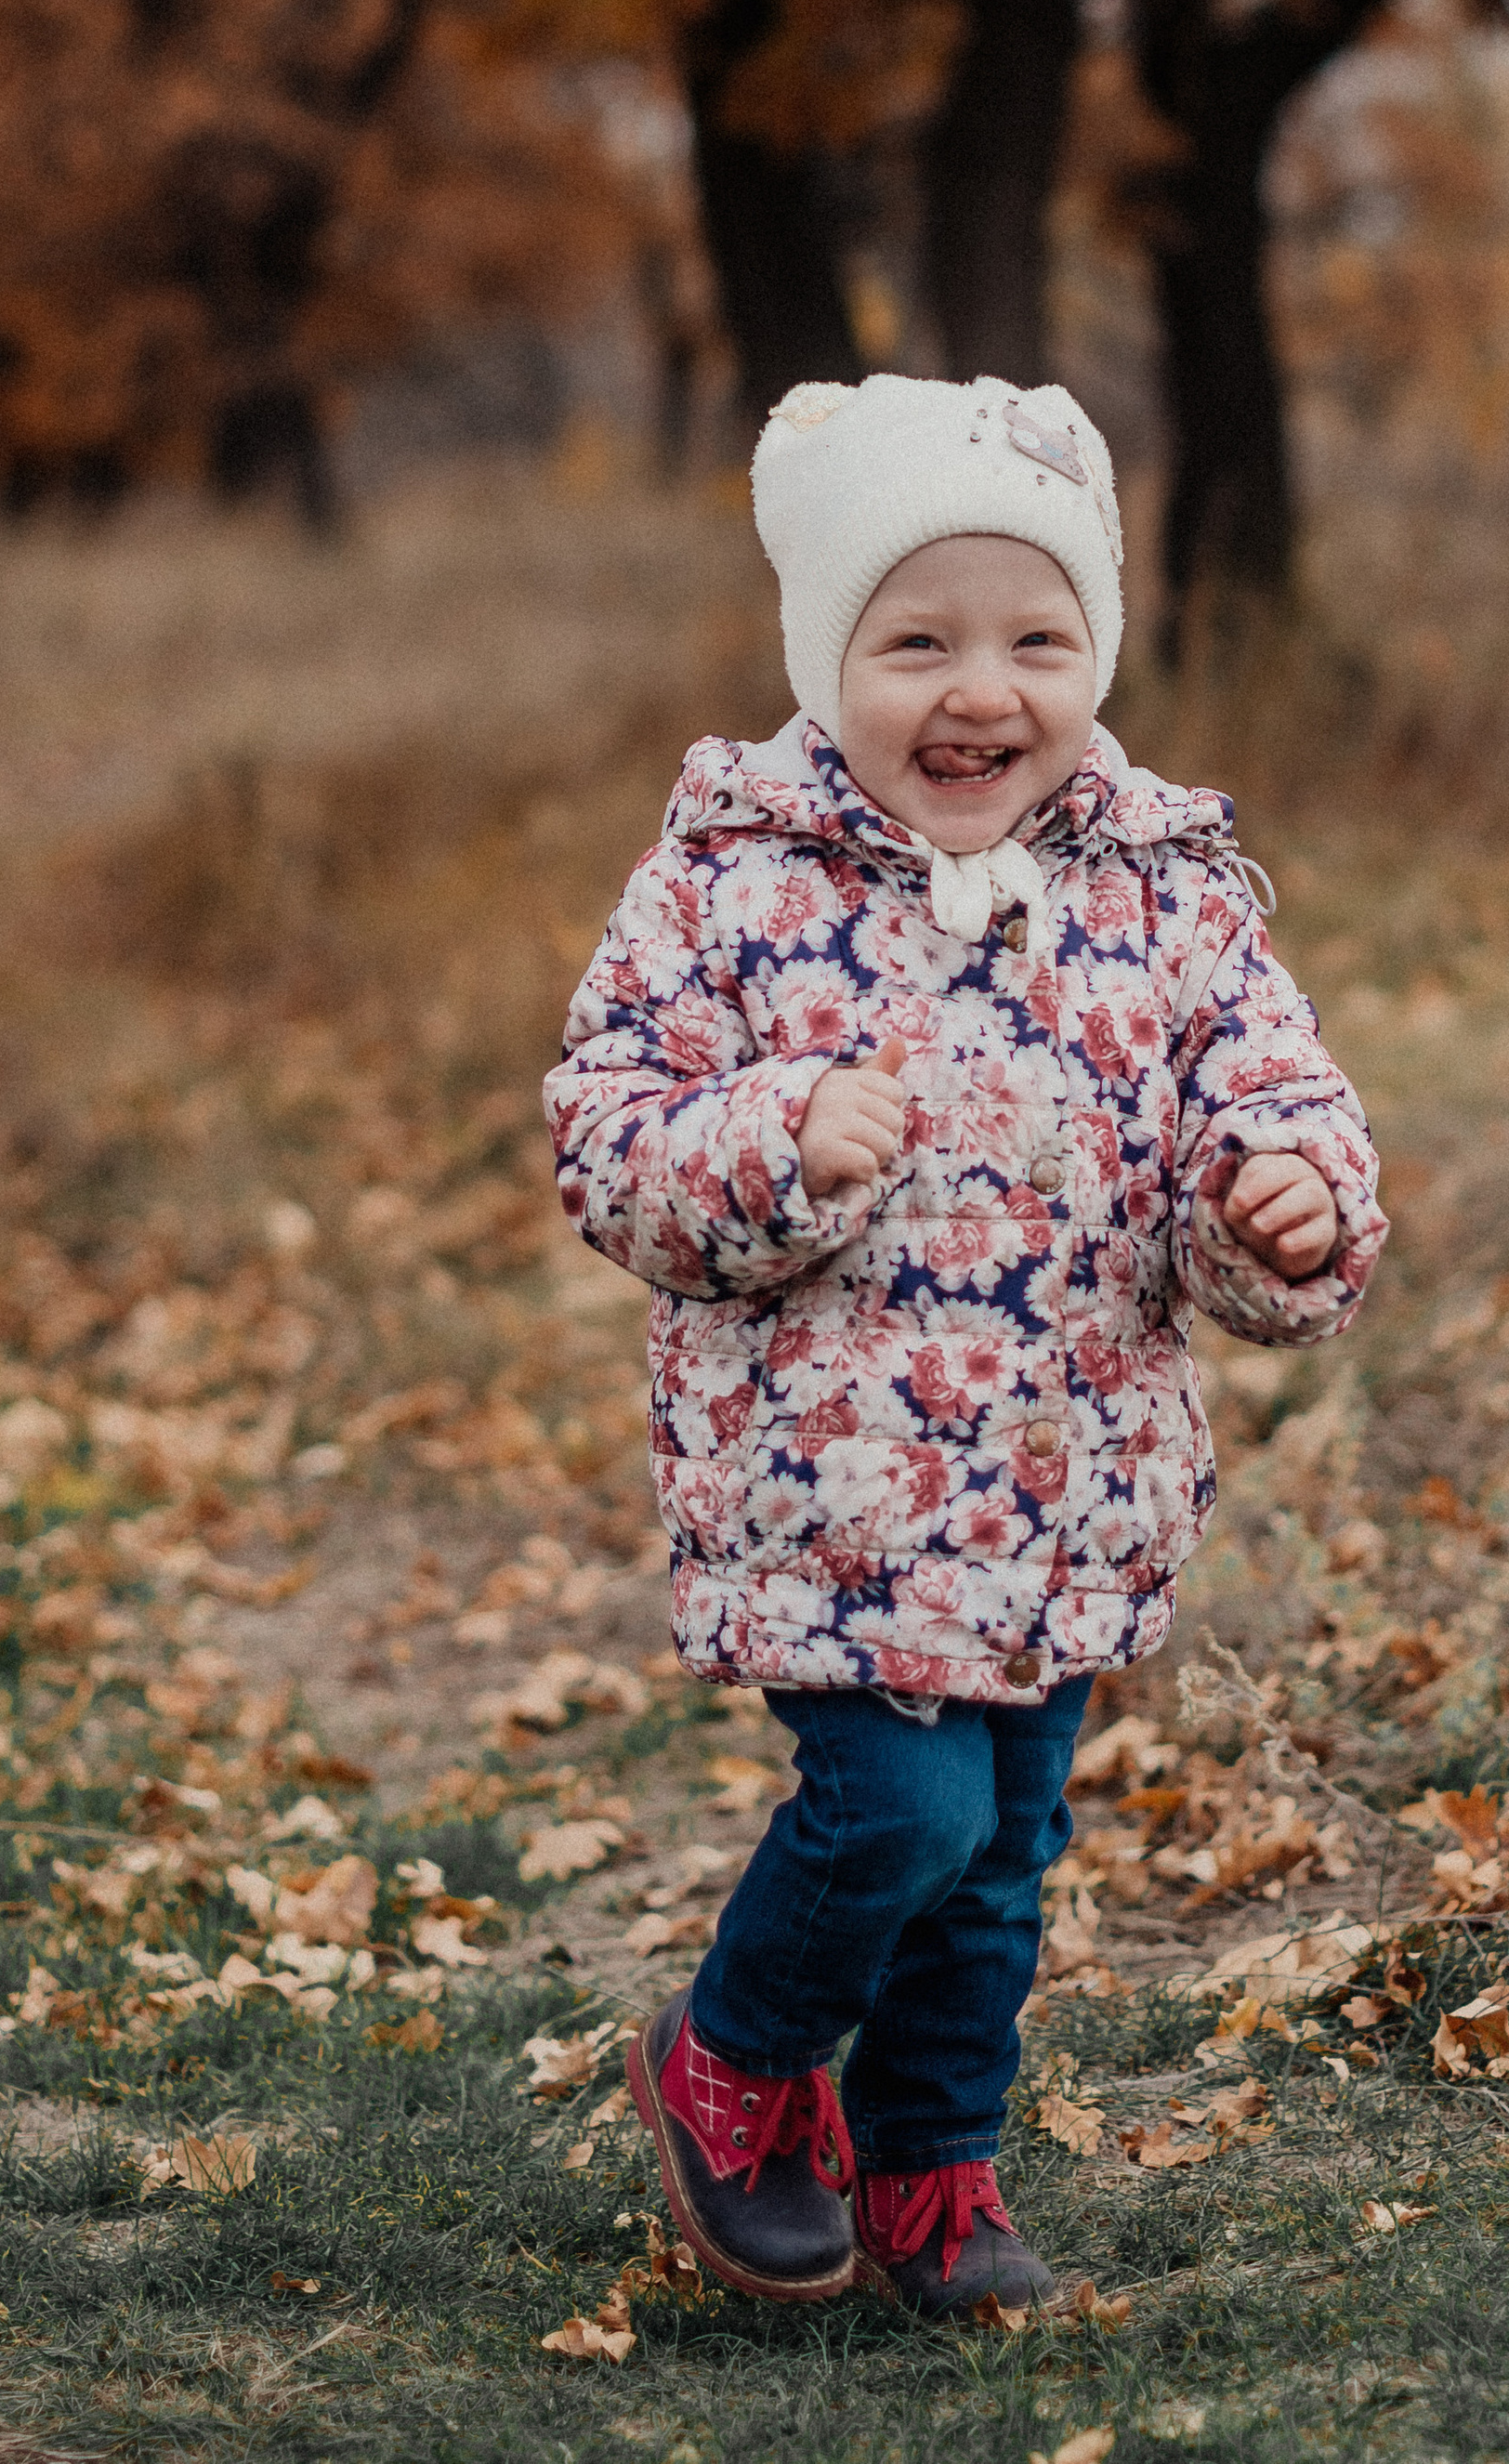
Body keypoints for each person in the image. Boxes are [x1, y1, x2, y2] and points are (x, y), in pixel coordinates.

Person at [544, 373, 1386, 2317]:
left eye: (1036, 638)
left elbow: (1268, 1091)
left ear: (1099, 651)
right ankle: (731, 2067)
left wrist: (1277, 1198)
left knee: (998, 1859)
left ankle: (930, 2167)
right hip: (826, 1484)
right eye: (914, 641)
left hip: (1067, 1476)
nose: (977, 691)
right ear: (824, 658)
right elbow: (606, 1131)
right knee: (897, 1814)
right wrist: (774, 1139)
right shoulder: (730, 878)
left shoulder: (1166, 888)